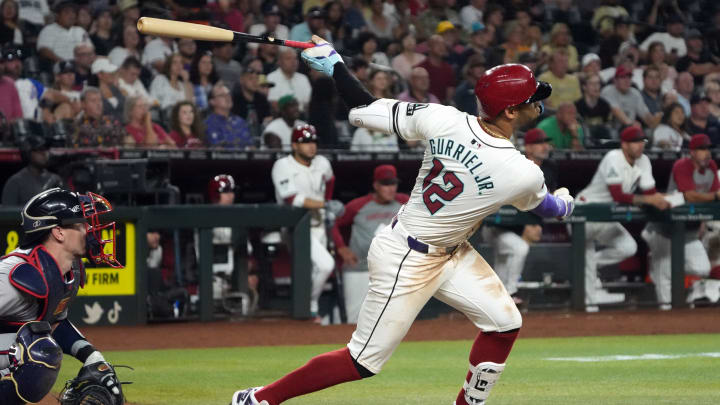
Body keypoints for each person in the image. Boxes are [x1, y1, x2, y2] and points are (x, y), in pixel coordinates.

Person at [230, 36, 573, 405]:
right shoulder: (521, 172)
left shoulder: (442, 117)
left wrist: (336, 66)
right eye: (531, 98)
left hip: (451, 251)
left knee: (504, 324)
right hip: (407, 258)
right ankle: (258, 399)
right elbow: (547, 208)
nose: (538, 102)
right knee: (362, 361)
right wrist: (566, 204)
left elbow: (363, 105)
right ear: (509, 112)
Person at [0, 188, 125, 405]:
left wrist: (92, 358)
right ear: (59, 233)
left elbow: (55, 325)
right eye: (81, 224)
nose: (89, 230)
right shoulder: (17, 272)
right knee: (39, 351)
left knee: (40, 342)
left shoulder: (69, 270)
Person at [576, 126, 670, 312]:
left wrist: (662, 199)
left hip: (605, 216)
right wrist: (648, 199)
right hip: (585, 212)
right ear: (624, 144)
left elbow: (650, 192)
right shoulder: (613, 157)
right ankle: (588, 311)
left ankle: (589, 265)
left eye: (641, 141)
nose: (639, 146)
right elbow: (618, 194)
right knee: (585, 258)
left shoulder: (643, 161)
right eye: (635, 142)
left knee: (628, 247)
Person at [642, 134, 717, 310]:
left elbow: (713, 198)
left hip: (689, 232)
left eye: (708, 149)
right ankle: (666, 317)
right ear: (692, 152)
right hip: (664, 229)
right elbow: (689, 195)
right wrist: (713, 196)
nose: (706, 153)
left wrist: (703, 221)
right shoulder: (682, 165)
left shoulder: (712, 167)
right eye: (701, 149)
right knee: (665, 277)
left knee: (702, 269)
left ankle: (662, 268)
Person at [270, 124, 336, 322]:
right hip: (296, 226)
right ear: (294, 145)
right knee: (326, 265)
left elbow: (330, 180)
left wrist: (327, 203)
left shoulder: (322, 162)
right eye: (305, 142)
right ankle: (308, 305)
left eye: (313, 141)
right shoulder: (283, 165)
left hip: (319, 224)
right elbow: (293, 199)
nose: (311, 146)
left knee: (316, 270)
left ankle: (308, 313)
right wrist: (326, 204)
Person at [332, 164, 409, 324]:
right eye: (385, 184)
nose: (390, 188)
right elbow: (333, 223)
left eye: (393, 183)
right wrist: (341, 247)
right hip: (359, 267)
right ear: (376, 185)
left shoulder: (404, 202)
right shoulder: (358, 205)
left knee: (389, 319)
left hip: (391, 270)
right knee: (354, 317)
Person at [1, 136, 62, 206]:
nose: (44, 153)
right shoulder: (15, 182)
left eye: (46, 149)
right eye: (39, 150)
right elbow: (8, 214)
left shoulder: (56, 179)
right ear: (27, 153)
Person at [601, 65, 662, 131]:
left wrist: (658, 118)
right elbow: (616, 111)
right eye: (623, 77)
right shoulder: (608, 91)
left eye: (629, 77)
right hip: (610, 129)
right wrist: (631, 124)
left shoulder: (635, 93)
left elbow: (646, 117)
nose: (627, 80)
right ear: (615, 80)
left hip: (629, 130)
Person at [205, 82, 252, 148]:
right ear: (212, 101)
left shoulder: (240, 121)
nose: (227, 97)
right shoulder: (208, 124)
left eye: (228, 94)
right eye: (222, 95)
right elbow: (216, 150)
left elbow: (251, 147)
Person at [417, 34, 456, 104]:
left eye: (443, 44)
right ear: (429, 47)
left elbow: (450, 90)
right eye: (437, 44)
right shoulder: (421, 68)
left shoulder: (448, 69)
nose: (441, 47)